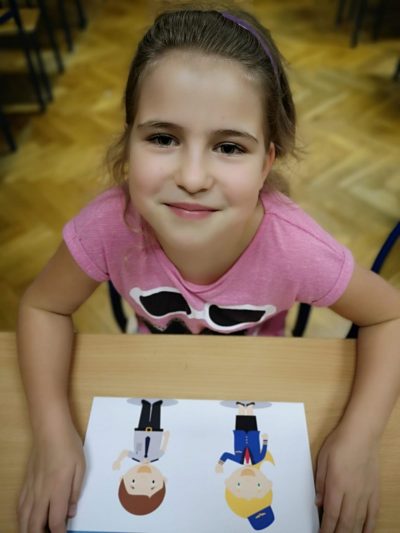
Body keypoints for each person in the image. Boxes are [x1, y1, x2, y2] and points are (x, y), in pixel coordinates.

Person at [16, 5, 400, 533]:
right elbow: (41, 307)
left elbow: (390, 317)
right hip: (153, 382)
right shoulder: (109, 226)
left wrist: (358, 439)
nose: (193, 177)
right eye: (162, 138)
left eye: (228, 147)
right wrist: (51, 433)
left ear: (267, 162)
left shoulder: (295, 247)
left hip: (256, 389)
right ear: (128, 142)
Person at [215, 402, 275, 530]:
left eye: (238, 484)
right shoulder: (258, 459)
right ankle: (250, 408)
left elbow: (226, 455)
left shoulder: (238, 459)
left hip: (240, 434)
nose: (247, 481)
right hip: (253, 435)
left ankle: (241, 408)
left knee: (241, 420)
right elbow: (263, 452)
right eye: (258, 485)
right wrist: (265, 441)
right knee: (251, 421)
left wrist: (220, 465)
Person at [112, 399, 169, 515]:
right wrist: (166, 437)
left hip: (140, 432)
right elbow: (163, 449)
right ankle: (157, 406)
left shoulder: (136, 456)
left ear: (122, 478)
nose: (143, 478)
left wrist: (118, 461)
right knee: (156, 417)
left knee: (144, 417)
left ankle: (146, 406)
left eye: (133, 481)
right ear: (163, 480)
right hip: (156, 433)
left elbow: (125, 452)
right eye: (153, 482)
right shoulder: (156, 456)